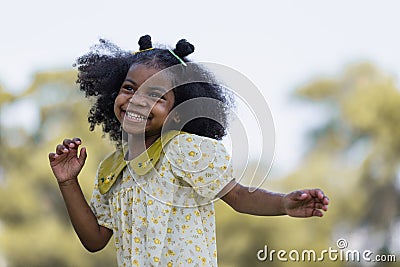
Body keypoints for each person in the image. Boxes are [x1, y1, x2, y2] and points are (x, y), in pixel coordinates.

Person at [49, 35, 329, 267]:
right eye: (129, 88)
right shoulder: (112, 170)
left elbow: (239, 196)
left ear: (177, 114)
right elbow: (95, 240)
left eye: (155, 96)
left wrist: (283, 203)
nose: (136, 101)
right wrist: (68, 181)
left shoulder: (185, 150)